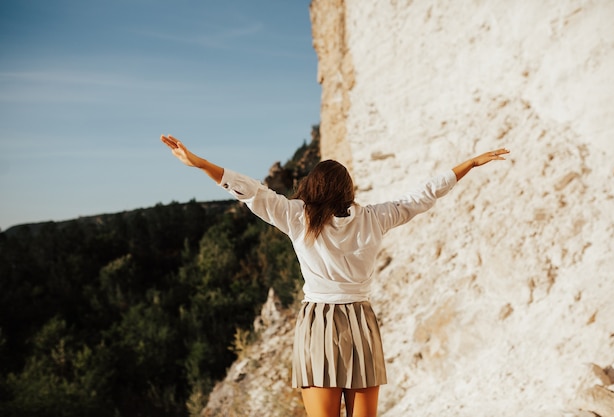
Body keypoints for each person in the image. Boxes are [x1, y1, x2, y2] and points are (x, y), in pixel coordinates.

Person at [161, 134, 509, 417]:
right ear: (348, 189)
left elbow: (250, 190)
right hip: (360, 320)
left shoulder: (298, 218)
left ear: (311, 187)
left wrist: (201, 164)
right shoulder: (374, 217)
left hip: (319, 324)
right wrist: (470, 164)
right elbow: (424, 194)